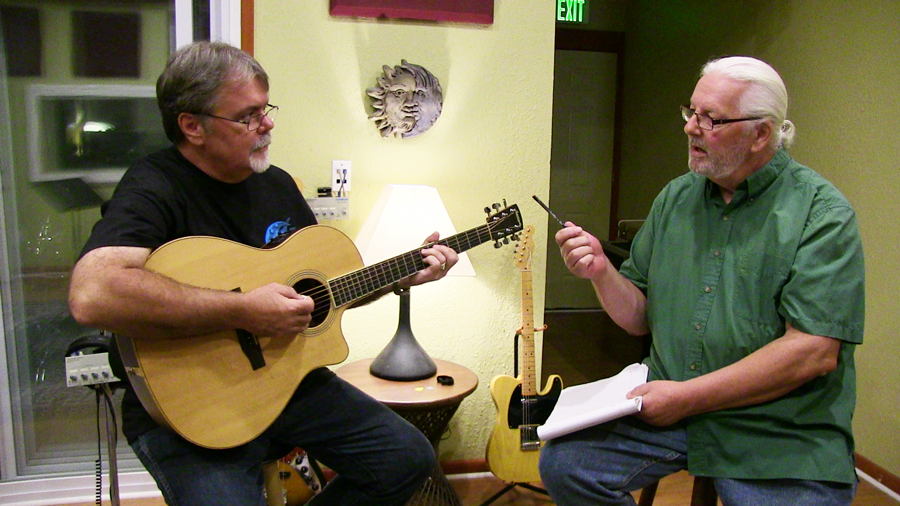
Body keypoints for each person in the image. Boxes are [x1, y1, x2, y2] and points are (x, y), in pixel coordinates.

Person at [67, 41, 459, 506]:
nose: (267, 124)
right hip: (190, 409)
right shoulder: (154, 185)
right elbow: (93, 294)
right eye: (247, 116)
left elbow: (320, 294)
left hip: (289, 385)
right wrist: (242, 310)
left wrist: (400, 276)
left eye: (266, 108)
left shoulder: (276, 184)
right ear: (192, 125)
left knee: (408, 459)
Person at [539, 56, 864, 506]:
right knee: (565, 464)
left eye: (710, 118)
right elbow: (638, 319)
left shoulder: (821, 215)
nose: (691, 128)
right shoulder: (676, 198)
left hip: (778, 427)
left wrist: (687, 398)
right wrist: (600, 272)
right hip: (669, 404)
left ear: (761, 134)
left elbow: (813, 354)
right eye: (691, 112)